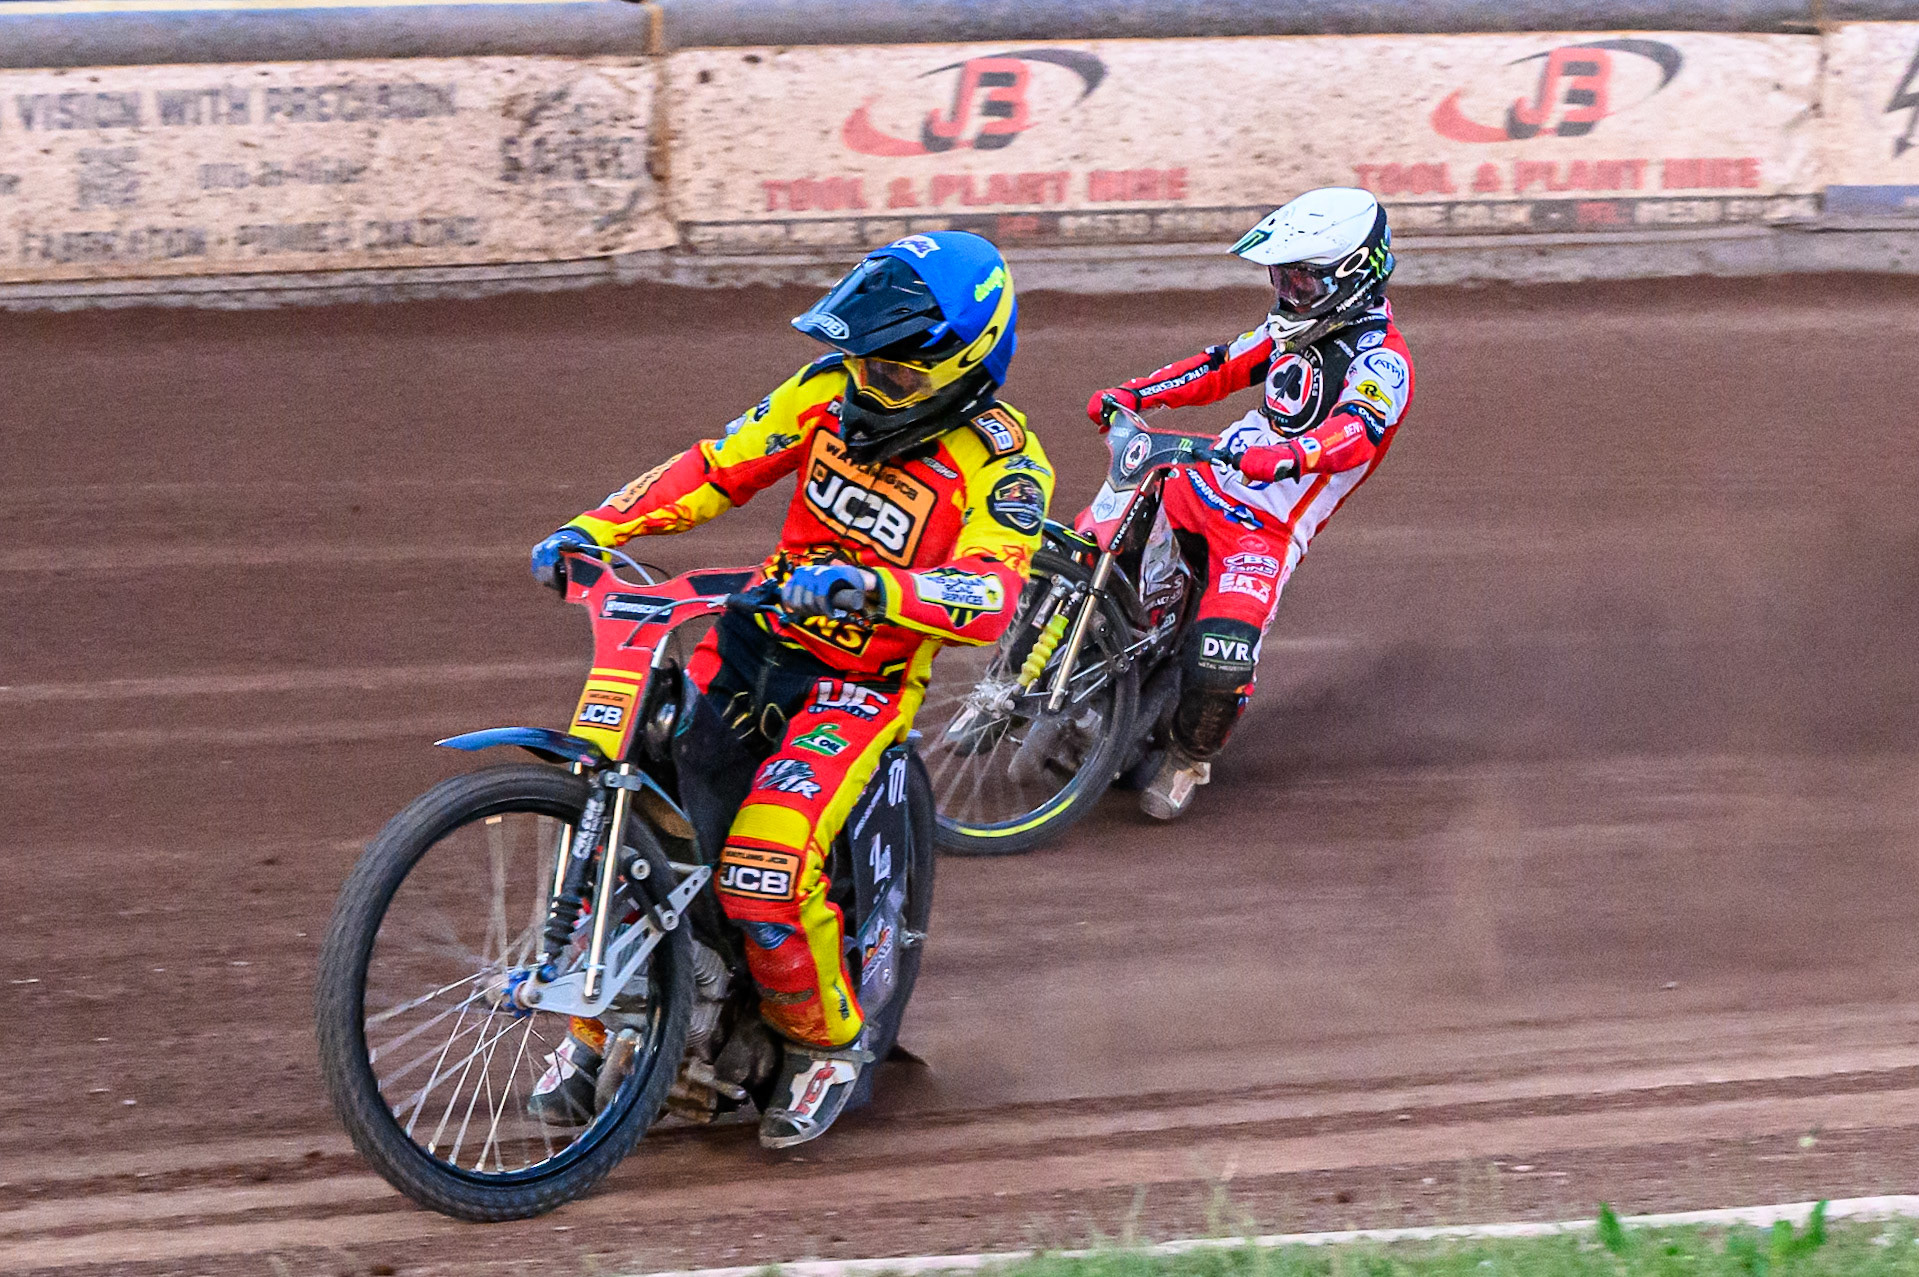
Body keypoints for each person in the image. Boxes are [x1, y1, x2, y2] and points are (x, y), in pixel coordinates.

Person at [525, 231, 1052, 1148]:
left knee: (763, 869)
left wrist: (879, 589)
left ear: (959, 369)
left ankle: (826, 1047)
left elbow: (990, 594)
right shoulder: (821, 394)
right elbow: (715, 465)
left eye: (890, 373)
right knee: (619, 806)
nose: (864, 385)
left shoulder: (1004, 465)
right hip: (746, 647)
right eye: (859, 362)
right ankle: (593, 1026)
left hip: (858, 685)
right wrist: (592, 525)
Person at [1082, 187, 1414, 821]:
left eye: (1304, 281)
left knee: (1220, 662)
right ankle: (1037, 657)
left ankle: (1186, 757)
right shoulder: (1292, 328)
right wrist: (1132, 394)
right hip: (1200, 479)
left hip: (1264, 531)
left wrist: (1287, 457)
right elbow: (1218, 367)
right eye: (1282, 278)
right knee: (1089, 541)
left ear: (1355, 276)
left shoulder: (1383, 362)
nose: (1289, 294)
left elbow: (1355, 432)